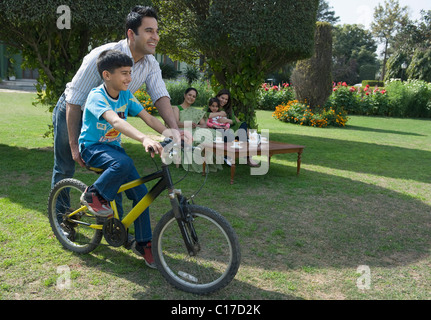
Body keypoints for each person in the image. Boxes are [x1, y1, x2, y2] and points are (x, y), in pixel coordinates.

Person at [51, 6, 181, 190]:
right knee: (65, 168)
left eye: (157, 31)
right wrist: (74, 146)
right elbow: (74, 99)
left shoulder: (150, 63)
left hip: (106, 117)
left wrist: (174, 130)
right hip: (73, 110)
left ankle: (105, 210)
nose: (156, 37)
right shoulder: (102, 56)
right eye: (149, 31)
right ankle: (59, 217)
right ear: (131, 33)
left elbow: (160, 96)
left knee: (113, 168)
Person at [79, 50, 167, 268]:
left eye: (130, 72)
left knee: (141, 194)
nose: (129, 78)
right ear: (107, 75)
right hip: (92, 148)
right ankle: (93, 194)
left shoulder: (126, 95)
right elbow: (116, 123)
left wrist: (172, 133)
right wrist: (144, 139)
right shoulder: (96, 96)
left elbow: (147, 117)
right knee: (124, 162)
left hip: (113, 149)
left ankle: (143, 244)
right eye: (124, 73)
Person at [215, 89, 259, 167]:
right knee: (235, 133)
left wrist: (227, 120)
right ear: (218, 97)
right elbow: (205, 115)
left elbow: (236, 121)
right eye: (222, 98)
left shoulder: (228, 109)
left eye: (226, 99)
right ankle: (247, 156)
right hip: (221, 129)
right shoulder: (213, 106)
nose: (224, 101)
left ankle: (247, 156)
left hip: (231, 129)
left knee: (243, 125)